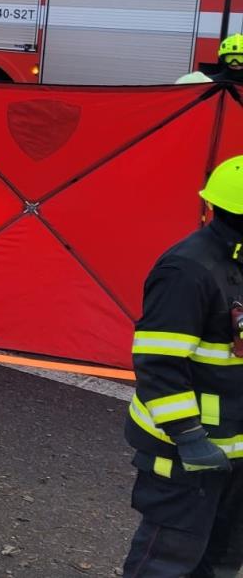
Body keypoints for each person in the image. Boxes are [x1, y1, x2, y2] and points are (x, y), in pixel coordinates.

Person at [120, 156, 243, 576]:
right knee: (167, 562)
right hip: (186, 454)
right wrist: (189, 436)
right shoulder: (187, 270)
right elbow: (158, 363)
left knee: (221, 564)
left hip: (236, 452)